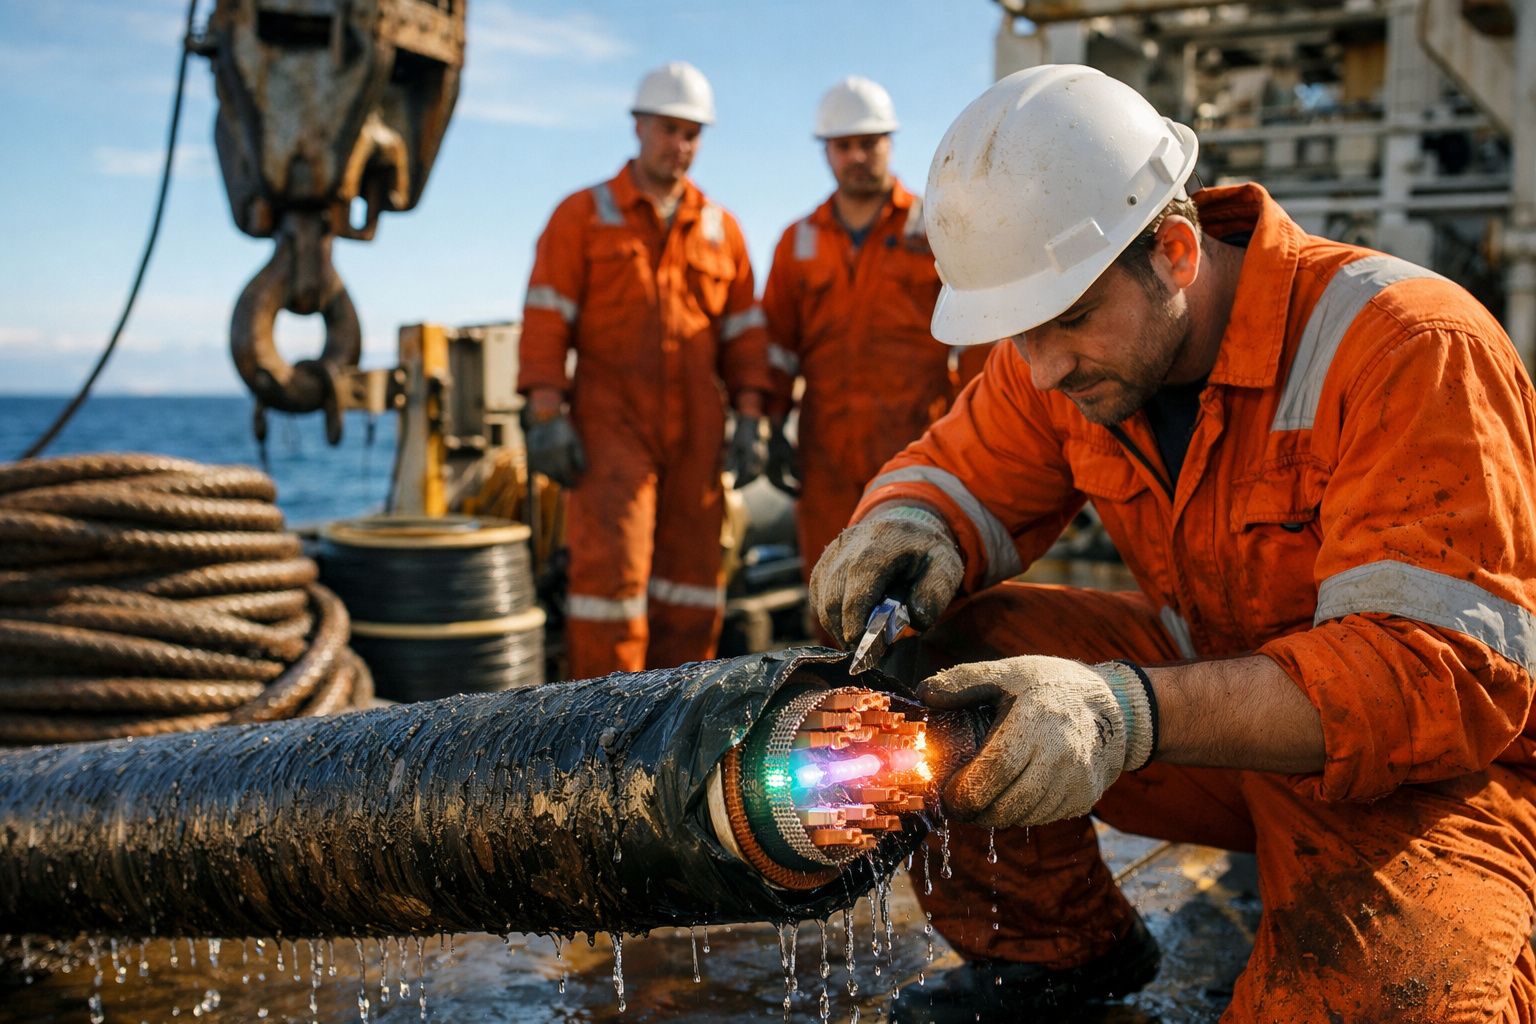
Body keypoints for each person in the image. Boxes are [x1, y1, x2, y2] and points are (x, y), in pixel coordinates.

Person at [811, 64, 1536, 1022]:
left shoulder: (1409, 346)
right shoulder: (1074, 353)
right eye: (1018, 335)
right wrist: (906, 522)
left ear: (1178, 252)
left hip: (1432, 773)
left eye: (1067, 323)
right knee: (944, 669)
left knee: (1393, 997)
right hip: (1222, 720)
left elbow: (1434, 679)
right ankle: (1058, 953)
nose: (1044, 367)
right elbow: (960, 467)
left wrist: (1123, 713)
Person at [519, 61, 771, 679]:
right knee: (611, 585)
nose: (678, 146)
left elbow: (743, 337)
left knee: (692, 589)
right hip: (611, 429)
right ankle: (600, 735)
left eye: (691, 133)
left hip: (697, 434)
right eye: (667, 129)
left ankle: (679, 730)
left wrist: (751, 418)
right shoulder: (582, 216)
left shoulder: (722, 231)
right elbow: (547, 320)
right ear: (637, 126)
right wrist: (546, 413)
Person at [760, 77, 990, 604]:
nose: (858, 156)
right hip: (826, 455)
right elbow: (776, 345)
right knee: (831, 596)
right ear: (827, 152)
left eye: (870, 143)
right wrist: (769, 425)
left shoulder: (934, 226)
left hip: (919, 448)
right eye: (844, 146)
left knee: (922, 596)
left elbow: (978, 335)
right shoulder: (798, 241)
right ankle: (834, 691)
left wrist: (979, 428)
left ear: (890, 142)